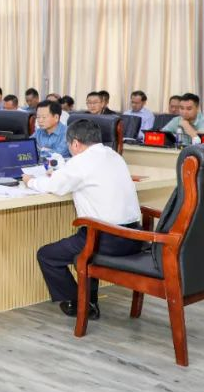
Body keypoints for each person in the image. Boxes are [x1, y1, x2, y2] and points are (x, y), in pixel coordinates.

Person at [26, 120, 144, 320]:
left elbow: (54, 186)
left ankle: (80, 303)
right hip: (134, 237)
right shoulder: (114, 156)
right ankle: (88, 299)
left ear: (75, 144)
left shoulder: (80, 162)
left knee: (47, 255)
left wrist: (30, 181)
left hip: (105, 240)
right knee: (82, 247)